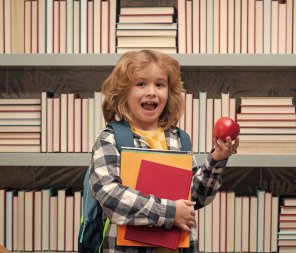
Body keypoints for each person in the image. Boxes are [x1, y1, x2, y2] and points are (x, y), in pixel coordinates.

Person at [89, 50, 239, 253]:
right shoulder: (110, 138)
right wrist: (170, 213)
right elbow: (111, 197)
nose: (151, 92)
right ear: (123, 91)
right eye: (141, 84)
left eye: (159, 84)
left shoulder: (179, 139)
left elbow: (196, 198)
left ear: (169, 93)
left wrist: (217, 159)